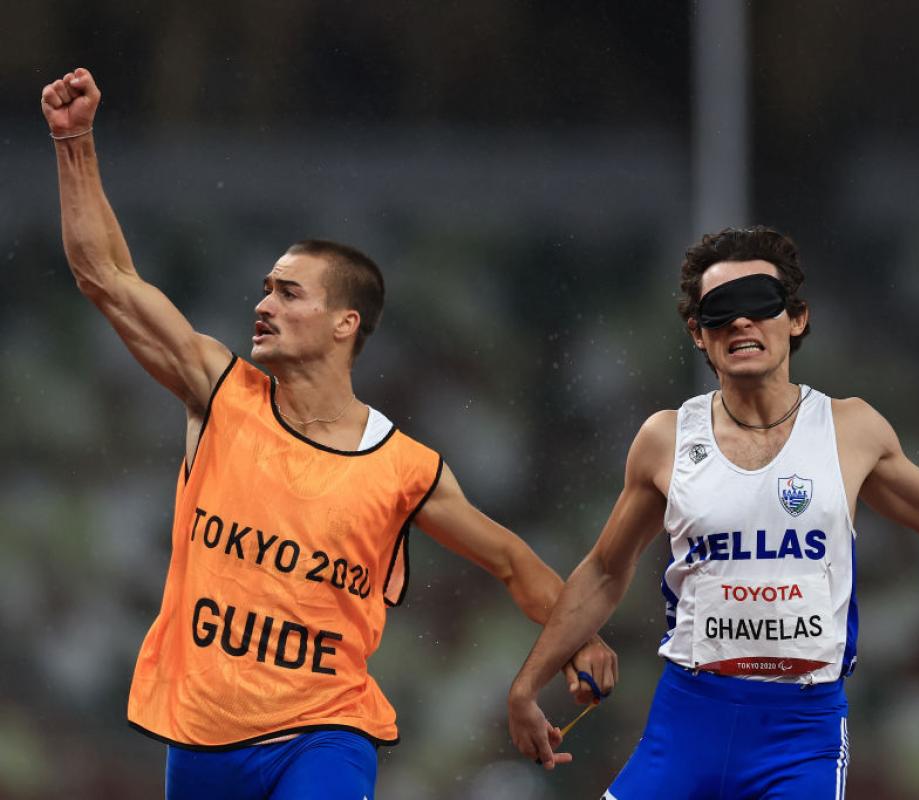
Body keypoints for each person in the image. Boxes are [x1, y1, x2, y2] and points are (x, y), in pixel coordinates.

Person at [41, 67, 616, 800]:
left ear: (346, 323)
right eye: (263, 289)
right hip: (202, 738)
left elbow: (509, 559)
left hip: (325, 735)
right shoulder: (219, 393)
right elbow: (106, 276)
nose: (263, 305)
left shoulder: (405, 468)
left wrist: (577, 639)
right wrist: (74, 142)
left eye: (287, 292)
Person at [506, 225, 919, 799]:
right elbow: (603, 571)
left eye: (760, 301)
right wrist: (527, 687)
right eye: (720, 310)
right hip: (690, 716)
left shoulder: (850, 429)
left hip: (798, 732)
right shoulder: (665, 439)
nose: (741, 319)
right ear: (698, 334)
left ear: (796, 318)